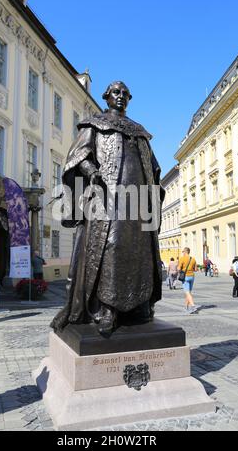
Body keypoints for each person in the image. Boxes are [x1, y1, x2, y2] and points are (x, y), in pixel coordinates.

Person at [50, 81, 165, 336]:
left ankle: (139, 305)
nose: (121, 96)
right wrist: (91, 171)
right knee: (110, 248)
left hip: (137, 203)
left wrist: (153, 194)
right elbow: (78, 155)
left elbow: (154, 167)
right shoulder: (95, 125)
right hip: (108, 199)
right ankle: (107, 309)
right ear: (106, 97)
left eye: (125, 93)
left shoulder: (139, 131)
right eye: (116, 92)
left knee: (141, 252)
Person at [178, 247, 199, 314]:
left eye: (183, 251)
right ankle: (186, 307)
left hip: (185, 277)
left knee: (187, 292)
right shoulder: (193, 259)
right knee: (189, 292)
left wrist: (180, 270)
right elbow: (196, 269)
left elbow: (178, 268)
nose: (183, 253)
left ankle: (193, 306)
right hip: (192, 276)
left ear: (185, 252)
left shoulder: (182, 258)